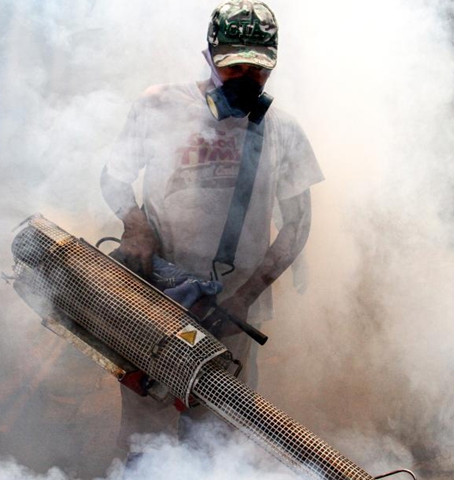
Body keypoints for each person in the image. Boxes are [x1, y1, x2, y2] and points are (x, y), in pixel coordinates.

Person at [100, 0, 323, 454]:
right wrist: (136, 226)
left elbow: (298, 226)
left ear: (273, 66)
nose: (245, 79)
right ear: (209, 57)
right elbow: (114, 177)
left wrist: (243, 299)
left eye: (256, 70)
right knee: (146, 422)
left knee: (219, 432)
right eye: (232, 67)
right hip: (154, 299)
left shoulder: (283, 131)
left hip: (233, 315)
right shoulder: (160, 105)